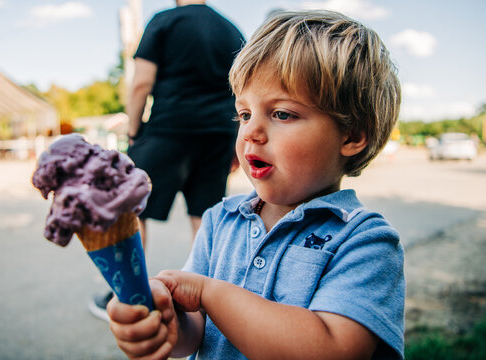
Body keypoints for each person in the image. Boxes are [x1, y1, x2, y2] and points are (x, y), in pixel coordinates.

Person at [107, 10, 405, 360]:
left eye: (281, 113)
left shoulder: (365, 241)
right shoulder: (219, 221)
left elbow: (332, 348)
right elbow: (195, 329)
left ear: (352, 135)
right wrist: (168, 321)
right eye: (244, 114)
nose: (249, 132)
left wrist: (208, 293)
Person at [88, 0, 245, 321]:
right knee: (206, 215)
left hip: (168, 129)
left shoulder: (164, 21)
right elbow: (243, 91)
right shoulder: (231, 30)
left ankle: (128, 296)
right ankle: (209, 297)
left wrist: (134, 131)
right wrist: (236, 143)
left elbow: (141, 83)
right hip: (218, 134)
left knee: (133, 211)